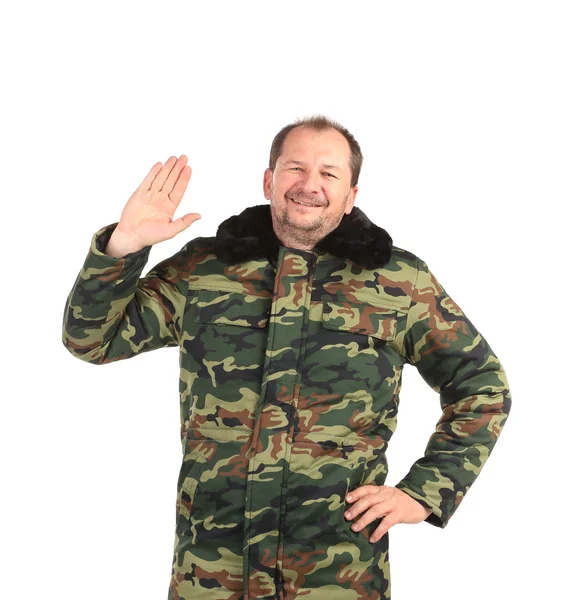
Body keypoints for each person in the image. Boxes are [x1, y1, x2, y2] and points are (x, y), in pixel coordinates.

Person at [62, 115, 511, 600]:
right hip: (211, 573)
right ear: (268, 179)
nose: (309, 185)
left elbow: (482, 387)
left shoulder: (399, 282)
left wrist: (424, 494)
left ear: (351, 194)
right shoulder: (205, 270)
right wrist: (124, 245)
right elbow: (92, 340)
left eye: (329, 173)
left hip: (337, 576)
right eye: (294, 168)